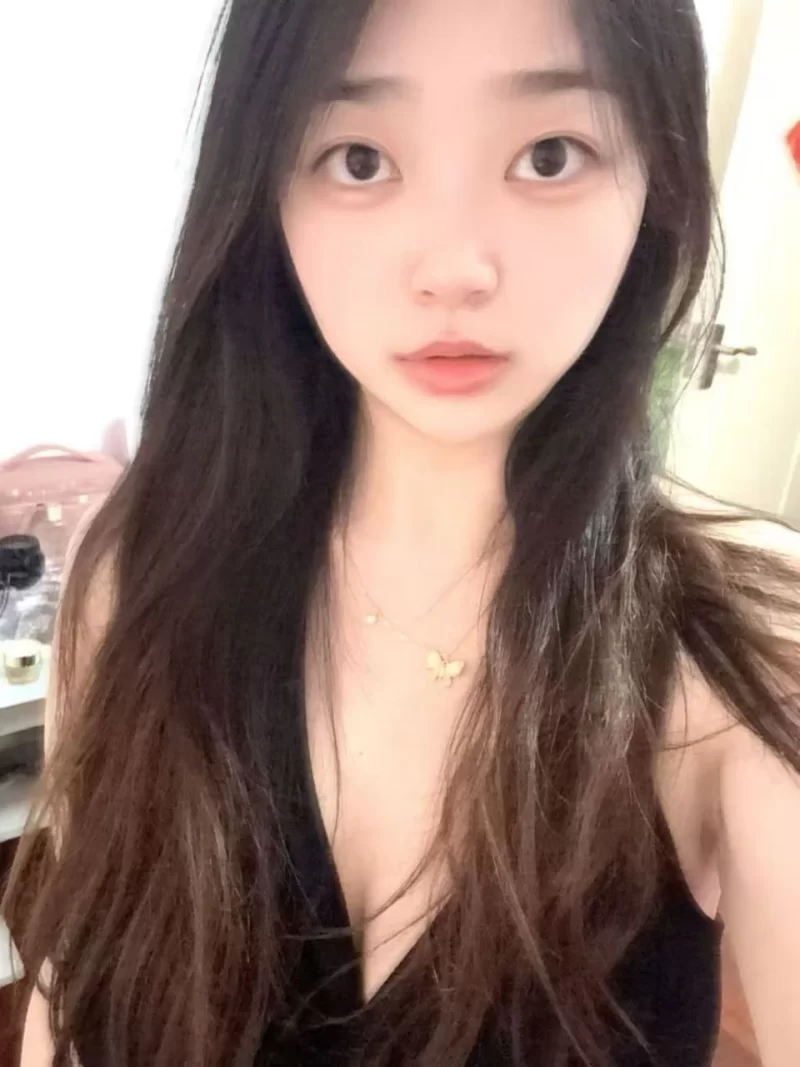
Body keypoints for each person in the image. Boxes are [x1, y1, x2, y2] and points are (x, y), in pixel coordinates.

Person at [7, 0, 800, 1064]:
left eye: (549, 155)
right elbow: (69, 994)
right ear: (264, 194)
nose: (453, 266)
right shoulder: (138, 578)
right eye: (360, 159)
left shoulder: (749, 640)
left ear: (655, 182)